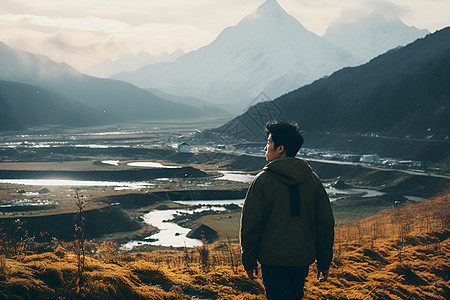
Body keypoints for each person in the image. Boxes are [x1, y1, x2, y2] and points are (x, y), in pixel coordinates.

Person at [240, 120, 335, 299]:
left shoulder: (262, 181)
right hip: (301, 260)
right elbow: (325, 224)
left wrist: (249, 258)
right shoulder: (313, 181)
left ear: (280, 148)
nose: (265, 148)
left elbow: (250, 225)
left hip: (272, 260)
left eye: (268, 142)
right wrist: (324, 261)